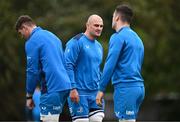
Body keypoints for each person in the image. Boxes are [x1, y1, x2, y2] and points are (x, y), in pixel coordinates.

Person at [15, 15, 71, 122]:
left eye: (20, 33)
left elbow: (32, 71)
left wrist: (29, 95)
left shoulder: (31, 41)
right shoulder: (53, 36)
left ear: (24, 28)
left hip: (51, 87)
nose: (22, 36)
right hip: (65, 86)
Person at [96, 5, 145, 122]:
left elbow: (110, 64)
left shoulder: (117, 37)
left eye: (113, 16)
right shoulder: (137, 38)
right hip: (139, 88)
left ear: (117, 18)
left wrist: (101, 89)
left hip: (126, 88)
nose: (112, 19)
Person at [64, 14, 104, 122]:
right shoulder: (76, 42)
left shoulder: (99, 46)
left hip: (95, 93)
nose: (99, 28)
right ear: (87, 25)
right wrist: (72, 88)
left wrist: (101, 89)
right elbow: (68, 65)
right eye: (96, 25)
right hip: (79, 93)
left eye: (101, 26)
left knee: (97, 119)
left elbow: (96, 69)